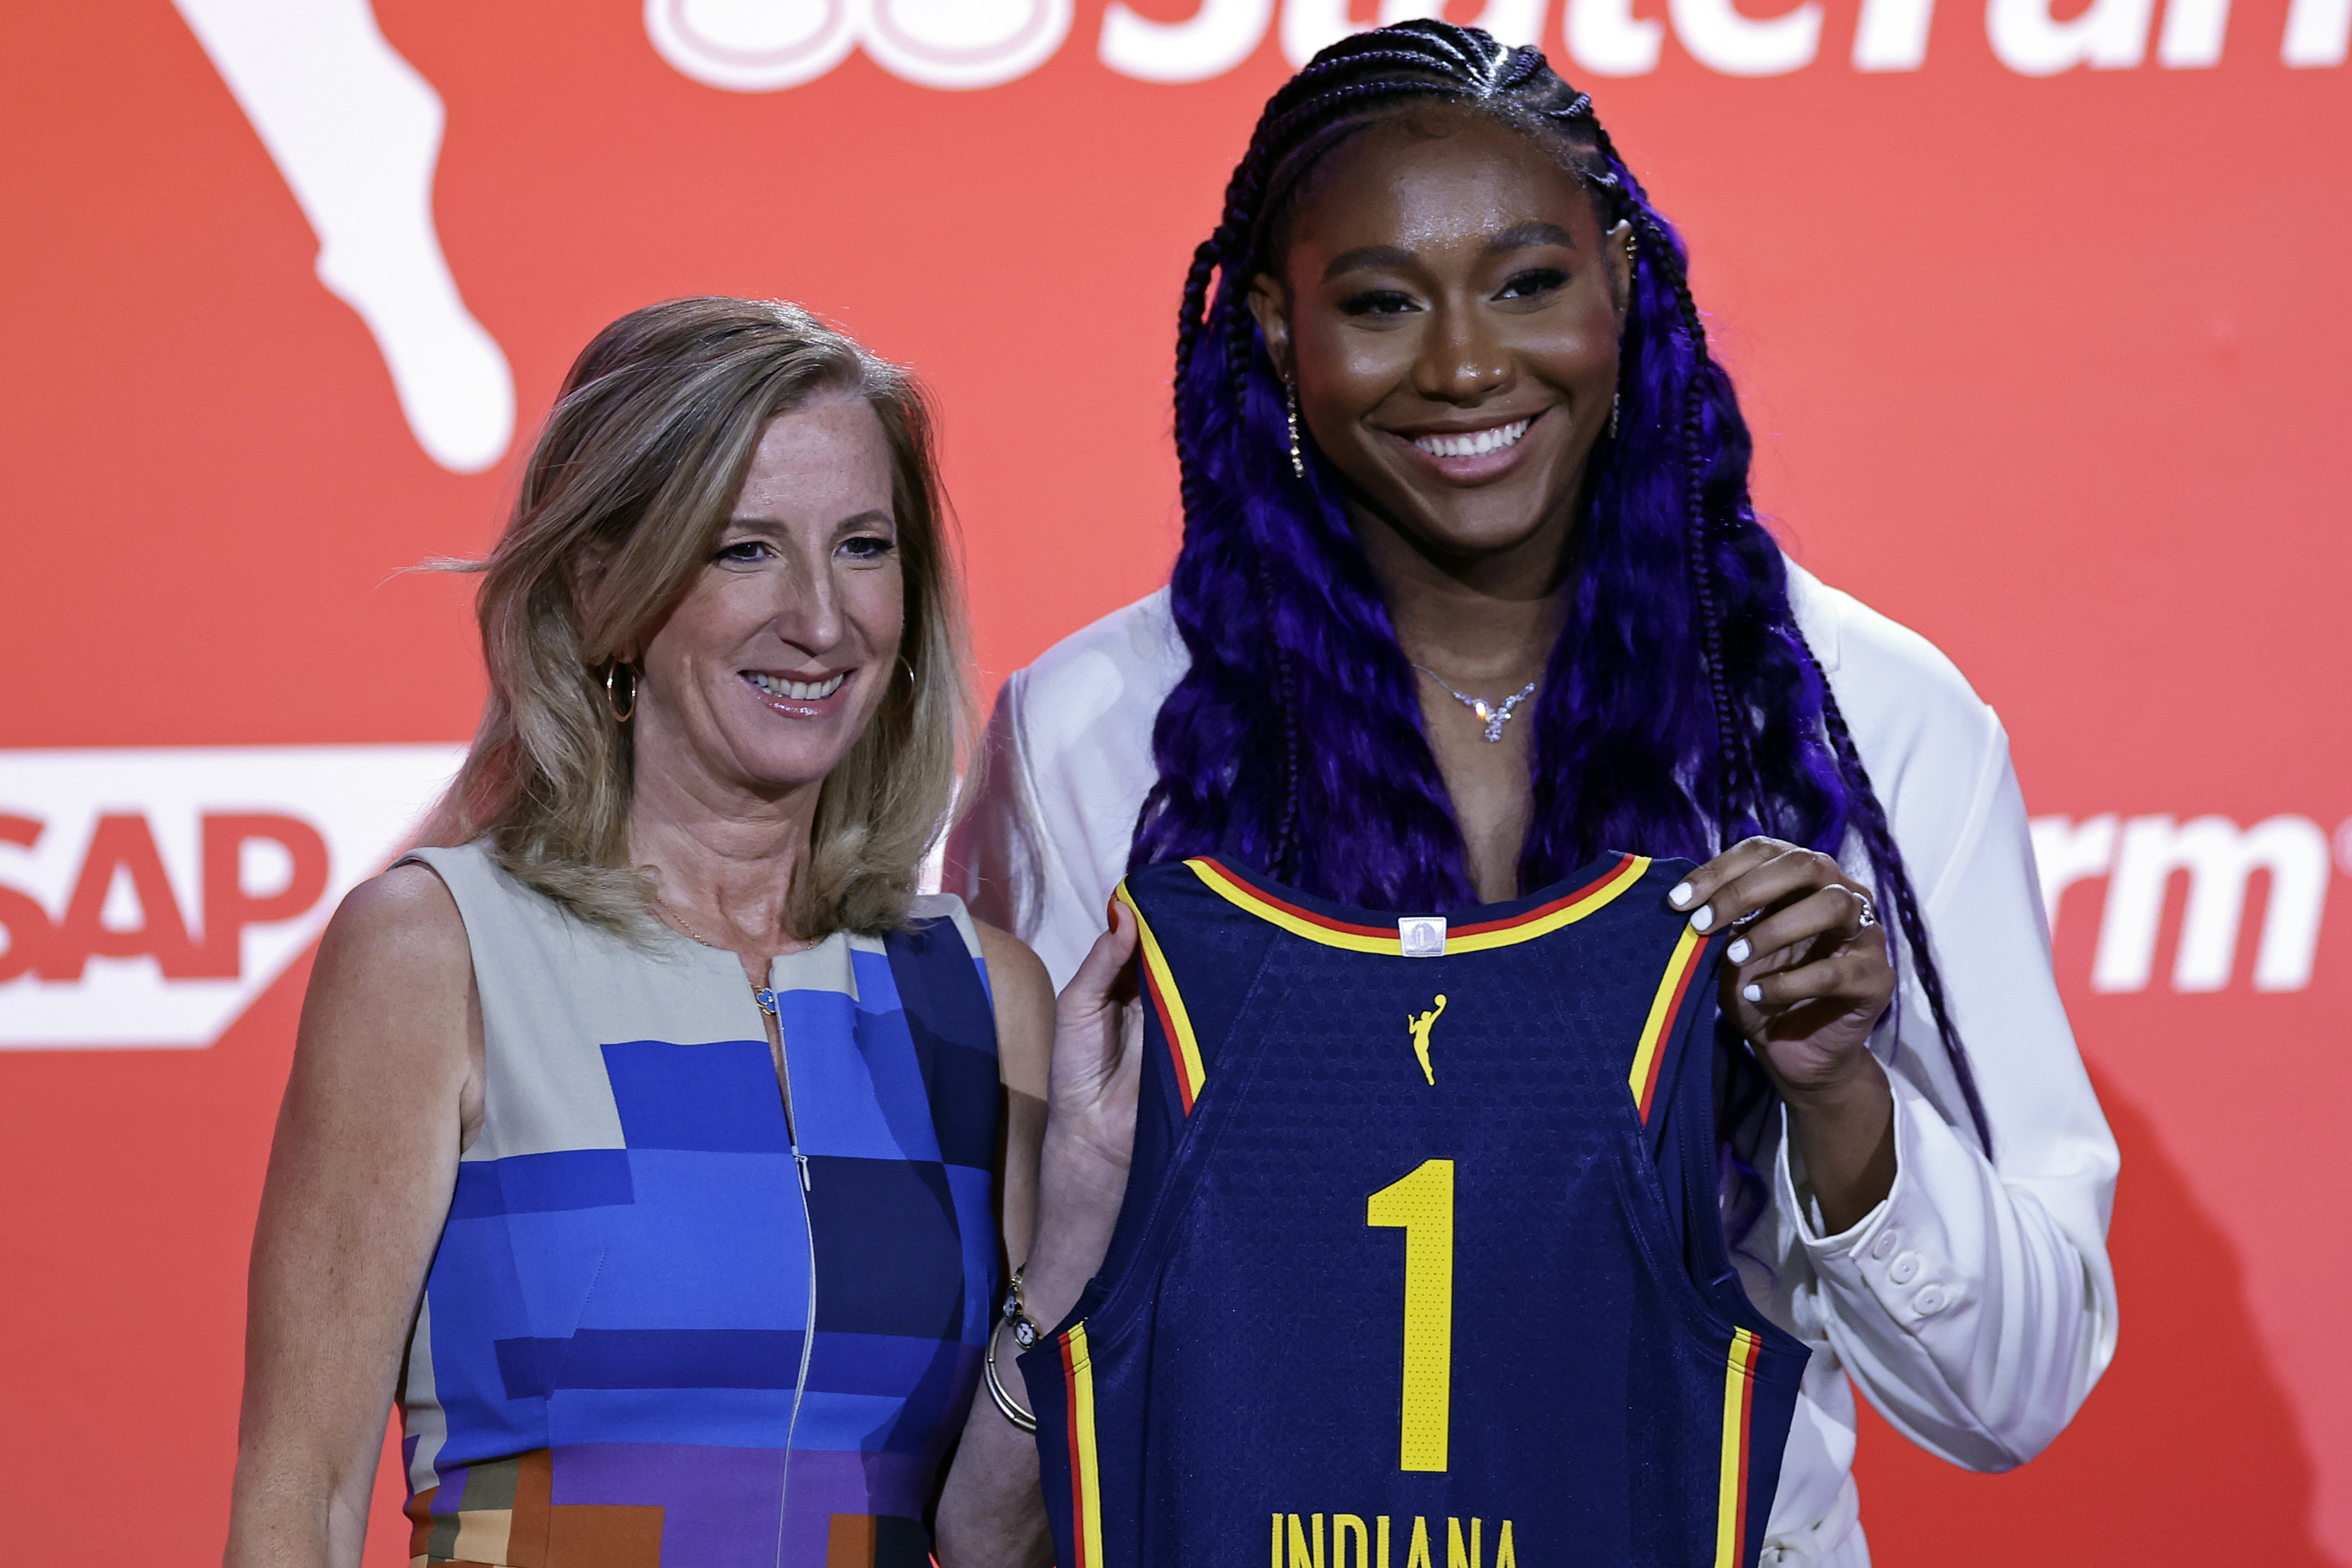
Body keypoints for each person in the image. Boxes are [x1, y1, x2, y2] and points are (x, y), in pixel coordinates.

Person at [952, 22, 2118, 1567]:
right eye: (1376, 304)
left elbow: (2013, 1394)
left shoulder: (1860, 722)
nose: (1460, 365)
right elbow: (1010, 1317)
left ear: (1623, 280)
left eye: (1525, 283)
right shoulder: (1091, 732)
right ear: (1266, 326)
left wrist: (1839, 1099)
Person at [222, 297, 1097, 1567]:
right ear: (602, 585)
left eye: (862, 546)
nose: (820, 617)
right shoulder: (443, 954)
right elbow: (294, 1503)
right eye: (743, 550)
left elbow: (995, 1529)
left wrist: (1084, 1217)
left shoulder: (978, 996)